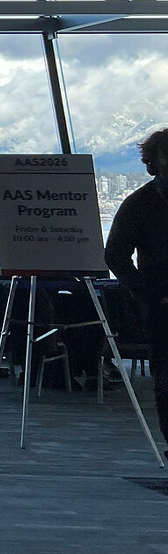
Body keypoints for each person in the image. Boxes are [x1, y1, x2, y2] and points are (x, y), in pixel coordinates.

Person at [106, 127, 168, 444]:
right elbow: (115, 255)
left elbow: (115, 256)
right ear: (154, 164)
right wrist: (151, 294)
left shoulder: (140, 203)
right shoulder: (140, 204)